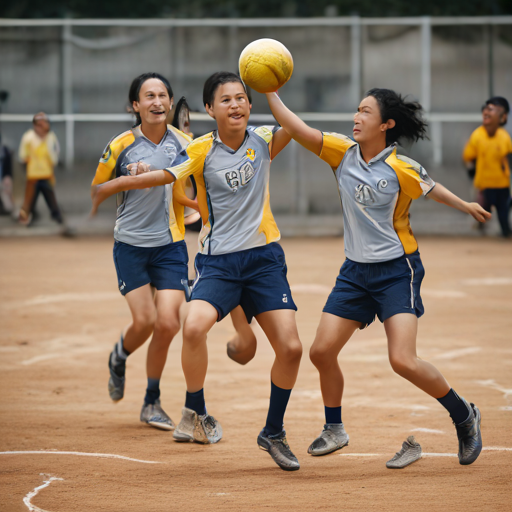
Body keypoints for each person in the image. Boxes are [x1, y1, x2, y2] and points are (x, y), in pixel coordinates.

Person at [264, 87, 490, 467]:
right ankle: (334, 428)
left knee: (402, 360)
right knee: (321, 352)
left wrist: (466, 204)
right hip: (354, 273)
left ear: (385, 124)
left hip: (396, 271)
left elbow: (431, 189)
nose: (356, 117)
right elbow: (297, 128)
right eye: (356, 110)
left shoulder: (401, 167)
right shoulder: (340, 152)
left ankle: (464, 415)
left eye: (365, 112)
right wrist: (271, 92)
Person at [91, 71, 303, 471]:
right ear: (209, 109)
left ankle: (272, 432)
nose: (236, 105)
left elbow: (293, 128)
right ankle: (195, 412)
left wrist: (272, 91)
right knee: (192, 326)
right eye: (225, 100)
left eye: (241, 98)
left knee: (291, 348)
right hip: (219, 263)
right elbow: (169, 176)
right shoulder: (202, 149)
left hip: (263, 261)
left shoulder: (262, 139)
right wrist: (123, 181)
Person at [91, 72, 192, 431]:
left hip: (169, 246)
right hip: (131, 246)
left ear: (169, 101)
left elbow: (193, 186)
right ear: (136, 105)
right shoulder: (120, 145)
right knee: (145, 322)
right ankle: (119, 357)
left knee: (168, 322)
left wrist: (192, 206)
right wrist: (129, 177)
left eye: (163, 94)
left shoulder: (184, 142)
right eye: (148, 96)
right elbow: (98, 186)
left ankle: (152, 401)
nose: (157, 101)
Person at [463, 96, 512, 238]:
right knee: (482, 209)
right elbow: (469, 156)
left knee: (503, 210)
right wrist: (471, 169)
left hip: (501, 183)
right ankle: (480, 231)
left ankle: (505, 231)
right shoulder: (477, 135)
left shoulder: (504, 137)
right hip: (484, 184)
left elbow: (508, 157)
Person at [18, 112, 64, 226]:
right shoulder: (28, 138)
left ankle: (57, 216)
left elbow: (55, 153)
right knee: (29, 199)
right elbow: (23, 157)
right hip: (33, 174)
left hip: (46, 173)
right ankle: (29, 215)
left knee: (50, 196)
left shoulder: (50, 137)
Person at [0, 133, 14, 215]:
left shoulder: (4, 150)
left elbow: (9, 167)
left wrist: (8, 176)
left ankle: (9, 210)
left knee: (6, 192)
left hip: (3, 178)